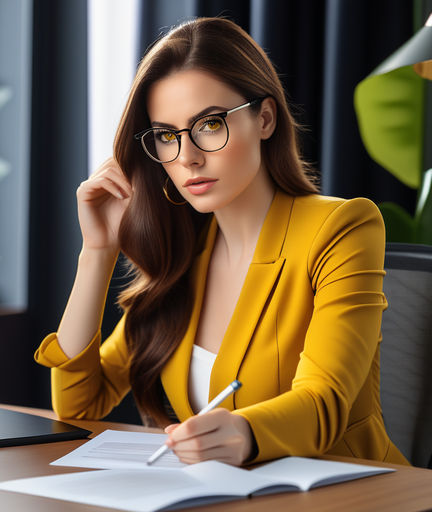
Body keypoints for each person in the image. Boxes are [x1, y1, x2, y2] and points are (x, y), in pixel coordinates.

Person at [35, 17, 408, 466]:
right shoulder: (185, 253)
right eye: (167, 136)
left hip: (349, 493)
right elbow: (78, 405)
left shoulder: (340, 227)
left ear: (265, 118)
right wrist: (97, 252)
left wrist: (245, 433)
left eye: (209, 125)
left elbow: (325, 402)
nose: (188, 156)